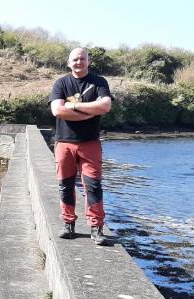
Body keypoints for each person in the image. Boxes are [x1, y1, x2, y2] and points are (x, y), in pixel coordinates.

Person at [48, 48, 113, 245]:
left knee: (93, 185)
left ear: (88, 61)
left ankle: (96, 228)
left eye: (82, 59)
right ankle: (68, 224)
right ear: (69, 63)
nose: (79, 62)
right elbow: (57, 111)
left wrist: (74, 106)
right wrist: (90, 111)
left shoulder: (99, 82)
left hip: (90, 143)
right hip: (64, 143)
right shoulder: (61, 83)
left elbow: (105, 106)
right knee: (65, 185)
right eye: (75, 59)